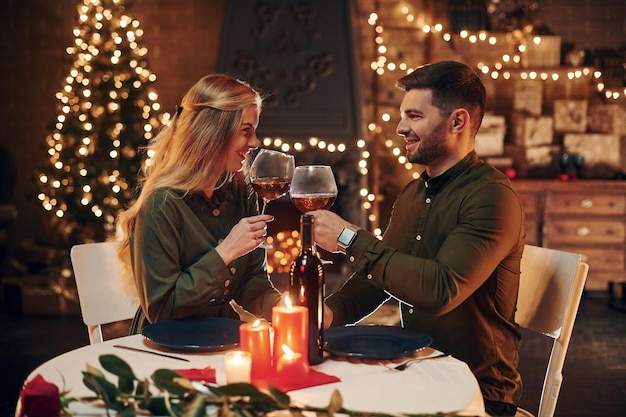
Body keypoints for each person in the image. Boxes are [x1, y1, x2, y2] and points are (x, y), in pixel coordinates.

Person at [311, 61, 524, 416]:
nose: (400, 127)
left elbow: (441, 291)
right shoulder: (412, 193)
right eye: (402, 115)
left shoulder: (492, 196)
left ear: (457, 122)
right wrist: (326, 314)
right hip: (418, 368)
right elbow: (374, 281)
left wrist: (349, 237)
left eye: (414, 116)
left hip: (478, 392)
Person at [116, 74, 281, 333]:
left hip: (224, 336)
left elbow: (252, 280)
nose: (254, 143)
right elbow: (161, 311)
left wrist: (284, 309)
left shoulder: (242, 192)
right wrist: (225, 252)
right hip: (165, 345)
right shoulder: (161, 204)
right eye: (246, 131)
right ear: (214, 132)